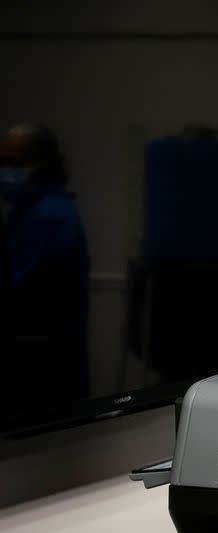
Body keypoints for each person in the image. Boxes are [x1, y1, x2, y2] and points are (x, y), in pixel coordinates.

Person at [0, 124, 90, 413]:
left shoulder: (48, 216)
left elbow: (18, 290)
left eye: (12, 163)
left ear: (40, 163)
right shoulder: (31, 210)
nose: (4, 171)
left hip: (42, 366)